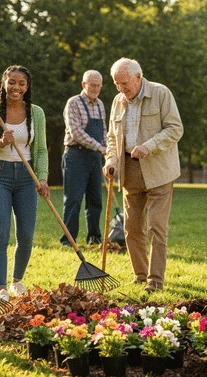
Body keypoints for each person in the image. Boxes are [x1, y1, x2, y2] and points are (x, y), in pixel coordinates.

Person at [103, 57, 183, 292]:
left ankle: (155, 280)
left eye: (124, 83)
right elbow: (112, 138)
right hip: (130, 170)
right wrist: (110, 160)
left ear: (138, 77)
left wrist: (149, 146)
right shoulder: (118, 101)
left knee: (156, 227)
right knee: (132, 228)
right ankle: (140, 275)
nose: (121, 88)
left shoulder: (160, 93)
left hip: (158, 168)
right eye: (116, 84)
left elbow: (175, 129)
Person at [0, 65, 49, 302]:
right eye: (12, 82)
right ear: (4, 83)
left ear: (27, 87)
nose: (16, 87)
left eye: (22, 83)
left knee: (26, 235)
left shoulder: (36, 113)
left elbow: (40, 151)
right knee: (1, 235)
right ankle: (1, 287)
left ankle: (16, 281)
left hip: (27, 178)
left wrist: (43, 178)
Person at [60, 70, 107, 247]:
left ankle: (94, 238)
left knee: (96, 199)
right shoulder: (73, 103)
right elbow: (76, 132)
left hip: (95, 158)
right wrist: (100, 147)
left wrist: (107, 149)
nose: (95, 89)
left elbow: (103, 131)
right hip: (75, 155)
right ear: (83, 85)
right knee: (73, 200)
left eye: (98, 86)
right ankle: (68, 240)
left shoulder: (100, 105)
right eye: (92, 85)